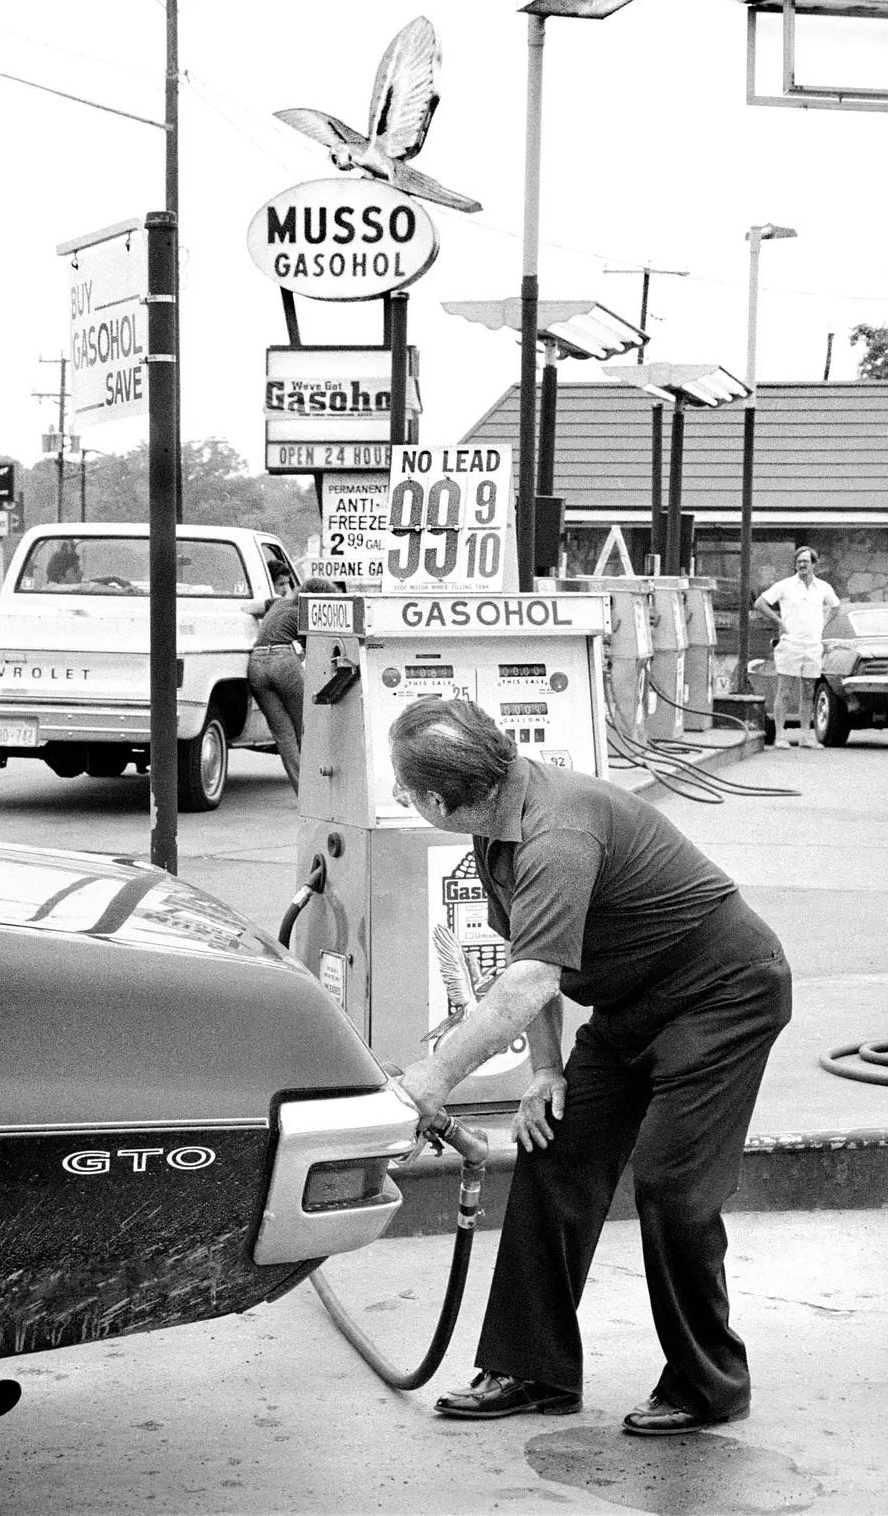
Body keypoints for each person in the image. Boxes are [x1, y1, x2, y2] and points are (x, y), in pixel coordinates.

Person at [390, 697, 791, 1436]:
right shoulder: (496, 823)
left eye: (404, 789)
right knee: (556, 1148)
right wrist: (545, 1072)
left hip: (722, 993)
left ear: (438, 801)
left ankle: (710, 1383)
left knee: (671, 1182)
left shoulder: (555, 832)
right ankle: (531, 1367)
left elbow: (531, 980)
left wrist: (430, 1079)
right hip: (629, 1004)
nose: (398, 797)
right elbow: (530, 957)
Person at [248, 574, 336, 793]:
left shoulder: (278, 603)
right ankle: (316, 792)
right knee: (304, 728)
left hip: (256, 663)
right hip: (283, 661)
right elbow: (317, 652)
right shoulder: (306, 613)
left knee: (282, 734)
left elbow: (251, 606)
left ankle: (301, 791)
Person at [754, 547, 839, 749]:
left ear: (814, 564)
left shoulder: (823, 587)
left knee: (809, 691)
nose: (802, 565)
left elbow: (835, 607)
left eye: (806, 561)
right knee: (785, 691)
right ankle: (780, 736)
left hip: (813, 646)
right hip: (790, 644)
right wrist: (779, 622)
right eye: (799, 561)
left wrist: (822, 626)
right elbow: (760, 603)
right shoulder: (785, 585)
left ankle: (805, 736)